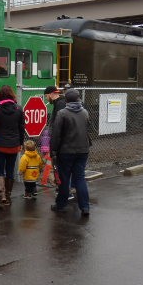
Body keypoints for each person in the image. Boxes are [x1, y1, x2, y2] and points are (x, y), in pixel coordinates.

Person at [50, 88, 91, 216]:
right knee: (80, 178)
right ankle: (85, 207)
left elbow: (56, 134)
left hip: (66, 151)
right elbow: (87, 128)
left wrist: (53, 150)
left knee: (64, 178)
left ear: (66, 99)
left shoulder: (62, 113)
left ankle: (61, 205)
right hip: (83, 150)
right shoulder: (85, 112)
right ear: (78, 99)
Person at [0, 85, 25, 208]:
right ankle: (8, 196)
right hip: (14, 145)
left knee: (0, 170)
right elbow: (21, 128)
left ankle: (2, 196)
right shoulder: (19, 109)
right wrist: (20, 142)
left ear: (0, 95)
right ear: (12, 95)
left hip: (0, 144)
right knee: (10, 170)